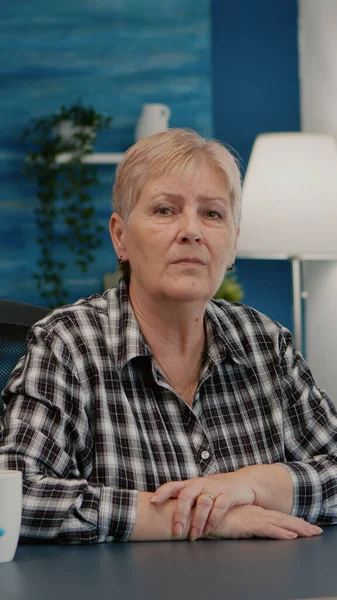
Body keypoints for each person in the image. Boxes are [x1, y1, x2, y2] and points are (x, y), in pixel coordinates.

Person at [0, 128, 336, 545]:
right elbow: (14, 493)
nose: (191, 230)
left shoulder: (266, 342)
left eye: (212, 214)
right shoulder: (68, 343)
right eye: (164, 210)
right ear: (120, 237)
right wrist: (199, 518)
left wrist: (256, 485)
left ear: (232, 244)